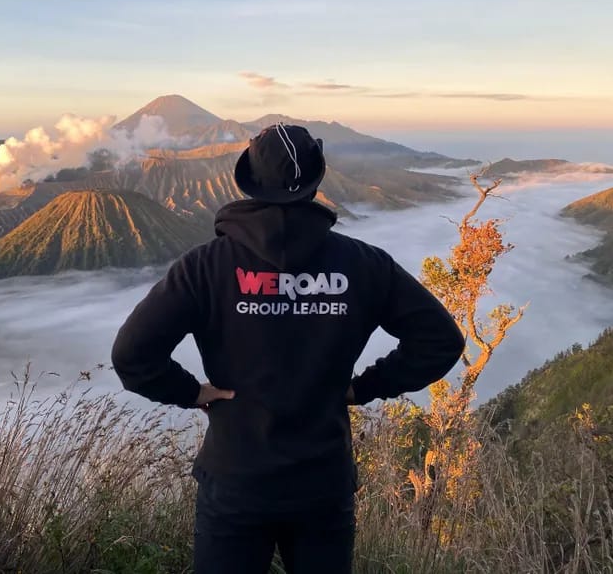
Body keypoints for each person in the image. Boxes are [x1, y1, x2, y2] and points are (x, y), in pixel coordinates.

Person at [111, 123, 465, 574]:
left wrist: (193, 393)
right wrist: (363, 388)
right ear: (317, 181)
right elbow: (441, 340)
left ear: (249, 182)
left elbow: (132, 355)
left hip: (236, 481)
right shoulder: (363, 265)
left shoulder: (205, 267)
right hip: (323, 484)